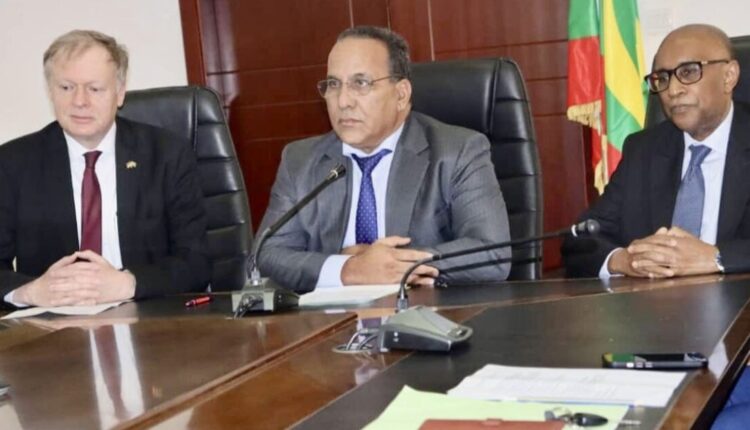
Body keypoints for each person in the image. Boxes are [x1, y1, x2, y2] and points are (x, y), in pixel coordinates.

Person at [255, 26, 510, 293]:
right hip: (329, 316)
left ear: (401, 94)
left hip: (423, 312)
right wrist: (349, 270)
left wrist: (391, 266)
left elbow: (493, 253)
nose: (343, 101)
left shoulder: (457, 152)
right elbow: (267, 254)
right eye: (333, 84)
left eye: (360, 83)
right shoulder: (300, 161)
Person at [0, 30, 210, 307]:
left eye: (95, 88)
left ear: (119, 93)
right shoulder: (13, 163)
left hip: (148, 317)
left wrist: (127, 283)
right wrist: (29, 292)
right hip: (54, 323)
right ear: (50, 92)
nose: (79, 101)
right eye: (66, 87)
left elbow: (196, 262)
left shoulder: (167, 155)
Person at [562, 24, 750, 280]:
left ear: (729, 76)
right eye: (662, 78)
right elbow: (581, 238)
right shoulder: (644, 150)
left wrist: (716, 258)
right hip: (655, 300)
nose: (673, 90)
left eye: (688, 72)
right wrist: (625, 260)